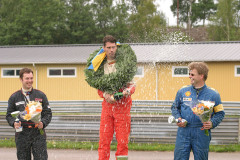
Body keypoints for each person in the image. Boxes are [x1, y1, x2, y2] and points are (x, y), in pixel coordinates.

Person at [171, 62, 225, 160]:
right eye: (189, 74)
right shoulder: (182, 91)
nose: (189, 76)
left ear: (201, 76)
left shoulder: (213, 94)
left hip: (201, 132)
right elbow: (174, 108)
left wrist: (212, 123)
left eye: (192, 74)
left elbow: (220, 113)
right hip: (184, 131)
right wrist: (178, 118)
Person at [96, 35, 136, 160]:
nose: (111, 50)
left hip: (123, 107)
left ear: (116, 47)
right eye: (109, 47)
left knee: (123, 141)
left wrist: (127, 91)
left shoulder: (124, 64)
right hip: (107, 107)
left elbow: (132, 85)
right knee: (103, 141)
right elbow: (98, 87)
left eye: (113, 47)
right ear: (104, 48)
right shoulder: (100, 65)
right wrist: (105, 95)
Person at [6, 68, 52, 160]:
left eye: (31, 78)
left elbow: (48, 113)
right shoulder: (14, 97)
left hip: (38, 133)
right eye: (27, 78)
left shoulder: (41, 95)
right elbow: (9, 115)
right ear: (21, 79)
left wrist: (43, 123)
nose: (30, 81)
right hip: (22, 134)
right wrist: (14, 123)